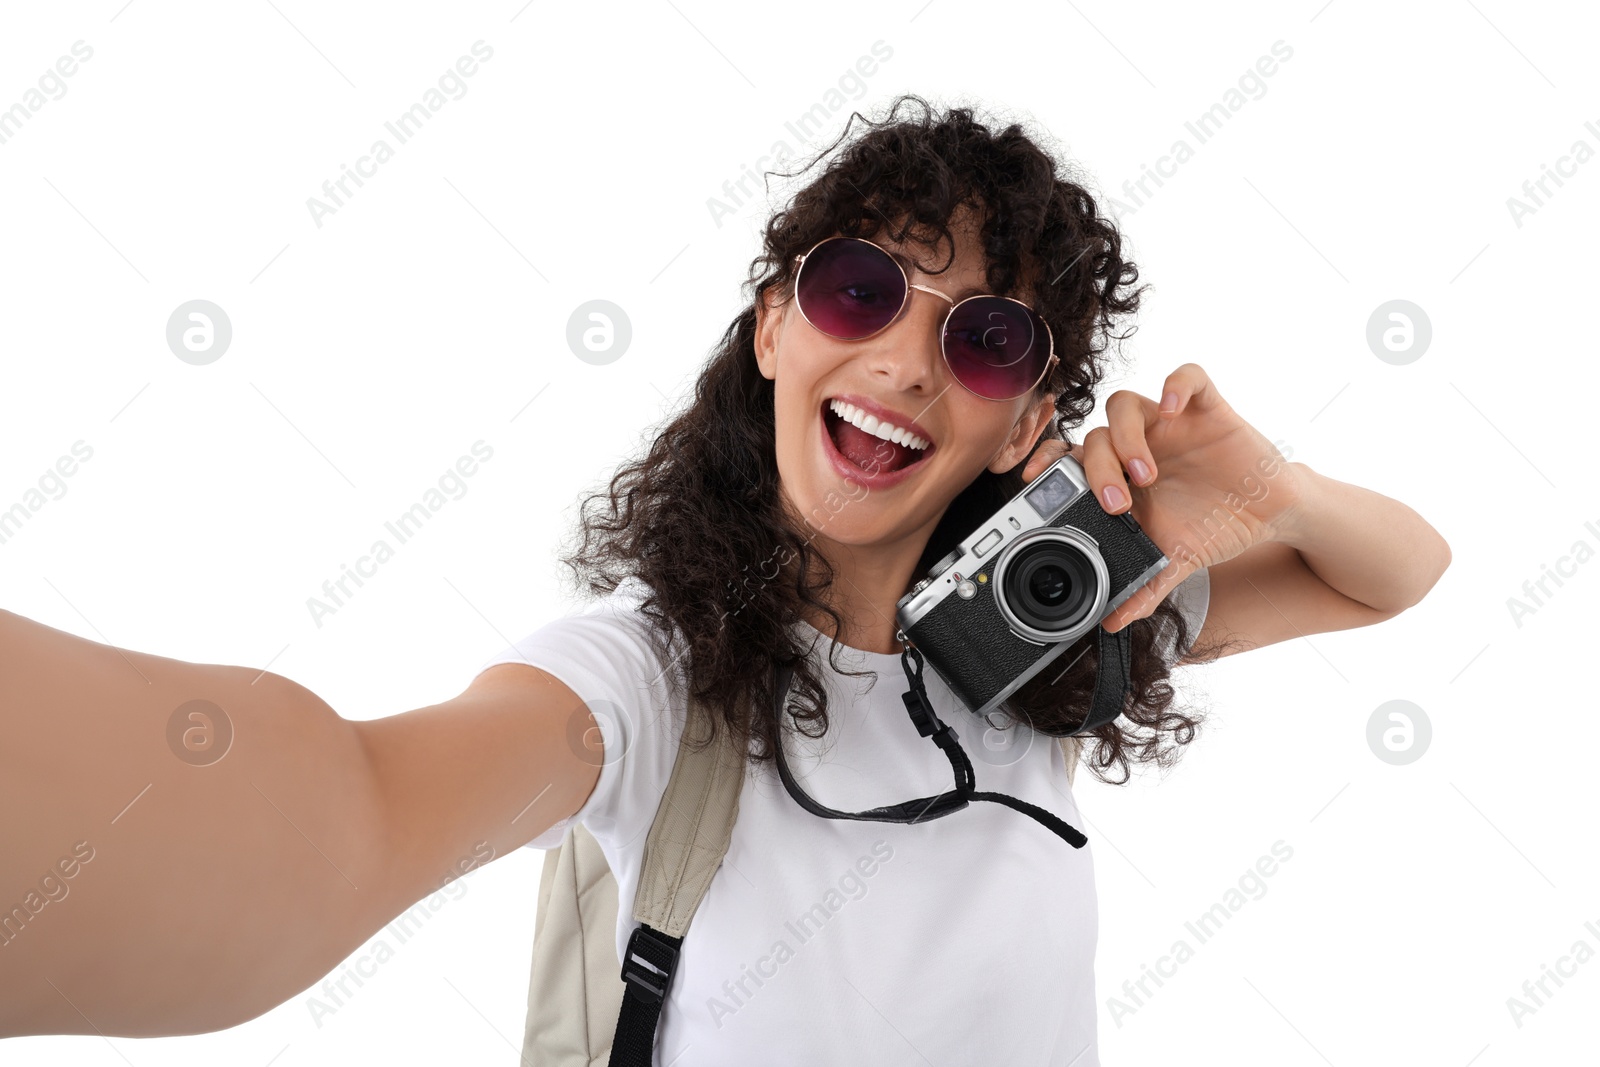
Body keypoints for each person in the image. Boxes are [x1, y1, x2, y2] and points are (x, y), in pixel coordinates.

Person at [0, 95, 1450, 1063]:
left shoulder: (1044, 641)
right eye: (861, 291)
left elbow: (1396, 574)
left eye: (986, 338)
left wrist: (1271, 491)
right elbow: (352, 813)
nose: (900, 359)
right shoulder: (645, 679)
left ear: (1027, 423)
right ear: (774, 327)